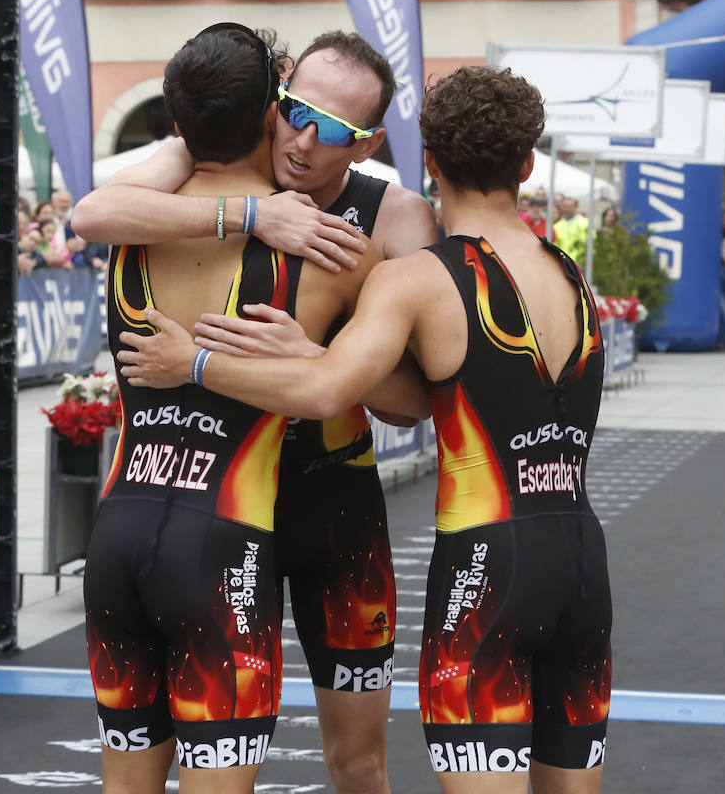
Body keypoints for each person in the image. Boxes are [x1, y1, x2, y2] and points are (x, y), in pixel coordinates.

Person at [117, 65, 612, 793]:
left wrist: (191, 363)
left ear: (426, 159)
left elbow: (325, 389)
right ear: (530, 164)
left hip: (480, 565)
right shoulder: (572, 277)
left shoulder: (415, 273)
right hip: (576, 559)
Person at [75, 30, 439, 794]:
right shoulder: (185, 182)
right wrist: (250, 214)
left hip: (325, 503)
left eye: (334, 131)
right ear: (273, 102)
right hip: (223, 505)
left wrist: (322, 363)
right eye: (297, 113)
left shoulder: (387, 220)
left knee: (358, 762)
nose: (305, 142)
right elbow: (94, 212)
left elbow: (413, 403)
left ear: (367, 142)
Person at [553, 194, 590, 261]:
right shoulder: (557, 225)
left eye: (571, 206)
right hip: (562, 261)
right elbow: (555, 245)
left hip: (580, 262)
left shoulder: (585, 223)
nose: (568, 209)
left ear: (576, 207)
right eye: (566, 206)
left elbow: (586, 244)